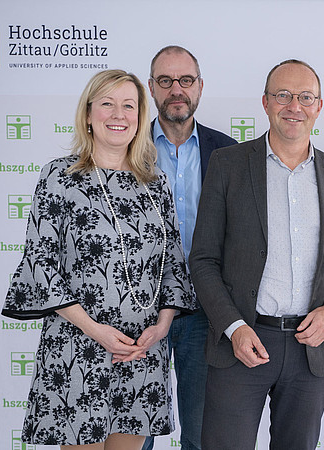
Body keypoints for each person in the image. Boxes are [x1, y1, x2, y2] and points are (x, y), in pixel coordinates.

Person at [1, 69, 195, 449]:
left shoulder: (155, 184)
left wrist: (161, 327)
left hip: (142, 350)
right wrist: (96, 330)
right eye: (107, 103)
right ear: (88, 113)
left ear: (140, 116)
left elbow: (173, 264)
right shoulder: (59, 177)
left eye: (128, 105)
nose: (118, 114)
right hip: (79, 346)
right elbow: (40, 264)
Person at [188, 59, 324, 449]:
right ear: (265, 102)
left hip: (310, 352)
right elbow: (202, 260)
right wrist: (234, 327)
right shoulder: (228, 165)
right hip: (242, 344)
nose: (294, 106)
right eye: (283, 95)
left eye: (305, 97)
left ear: (319, 106)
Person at [142, 45, 237, 450]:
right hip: (139, 312)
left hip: (205, 312)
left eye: (185, 80)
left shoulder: (229, 152)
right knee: (135, 435)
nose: (175, 89)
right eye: (165, 81)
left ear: (200, 87)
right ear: (151, 87)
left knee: (201, 437)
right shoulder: (126, 149)